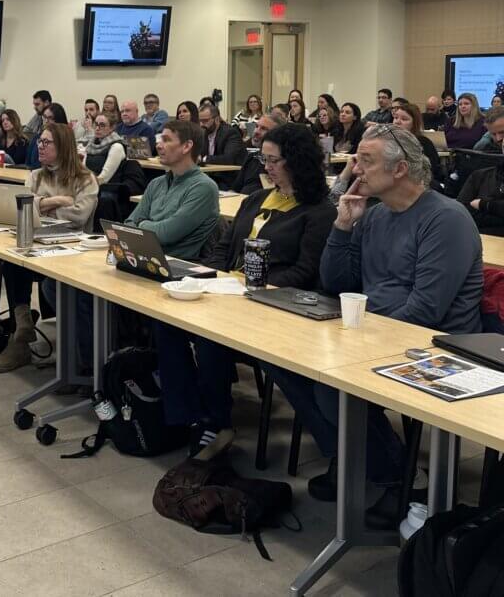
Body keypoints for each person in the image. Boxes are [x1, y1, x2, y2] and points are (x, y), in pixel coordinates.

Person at [270, 124, 482, 529]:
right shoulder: (376, 214)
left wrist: (354, 344)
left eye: (365, 161)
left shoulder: (446, 220)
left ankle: (405, 480)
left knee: (333, 389)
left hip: (436, 345)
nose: (354, 169)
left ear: (400, 168)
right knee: (284, 361)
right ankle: (349, 456)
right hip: (375, 331)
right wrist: (343, 225)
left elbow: (426, 310)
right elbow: (337, 283)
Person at [153, 123, 336, 458]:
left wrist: (252, 288)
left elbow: (306, 272)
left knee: (210, 334)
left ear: (296, 162)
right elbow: (224, 249)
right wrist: (206, 278)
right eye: (262, 159)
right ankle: (186, 414)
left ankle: (216, 421)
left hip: (274, 302)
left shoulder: (318, 212)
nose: (265, 167)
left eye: (273, 160)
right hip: (232, 293)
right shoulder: (256, 199)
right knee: (167, 320)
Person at [0, 123, 98, 373]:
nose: (40, 146)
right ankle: (22, 325)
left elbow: (79, 216)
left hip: (72, 251)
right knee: (11, 259)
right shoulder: (36, 175)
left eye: (47, 142)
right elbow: (22, 206)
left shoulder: (85, 178)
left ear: (64, 147)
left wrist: (40, 205)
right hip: (39, 243)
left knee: (42, 276)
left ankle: (76, 359)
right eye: (39, 142)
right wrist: (57, 200)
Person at [125, 119, 219, 260]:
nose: (158, 145)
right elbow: (128, 225)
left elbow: (165, 234)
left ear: (186, 146)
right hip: (146, 259)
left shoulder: (204, 187)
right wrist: (142, 226)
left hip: (179, 268)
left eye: (166, 140)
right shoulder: (156, 183)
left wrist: (142, 224)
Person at [458, 106, 504, 235]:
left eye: (502, 132)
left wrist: (485, 205)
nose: (499, 139)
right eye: (493, 134)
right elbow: (463, 213)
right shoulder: (479, 173)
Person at [230, 109, 287, 195]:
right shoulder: (252, 157)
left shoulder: (281, 162)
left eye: (263, 129)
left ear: (277, 134)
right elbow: (235, 189)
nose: (256, 131)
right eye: (256, 126)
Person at [394, 102, 445, 192]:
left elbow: (430, 172)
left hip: (418, 185)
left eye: (404, 119)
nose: (397, 122)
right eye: (395, 117)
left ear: (414, 123)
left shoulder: (424, 143)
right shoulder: (387, 141)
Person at [83, 114, 127, 184]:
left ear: (112, 128)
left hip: (107, 189)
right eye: (96, 124)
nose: (97, 128)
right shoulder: (91, 143)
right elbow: (83, 170)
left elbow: (104, 179)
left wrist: (85, 185)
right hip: (90, 185)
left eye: (102, 125)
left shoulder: (116, 147)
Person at [26, 103, 68, 170]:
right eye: (44, 117)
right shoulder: (36, 138)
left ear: (58, 120)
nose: (46, 121)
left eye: (50, 118)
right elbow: (28, 163)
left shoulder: (65, 140)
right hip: (34, 175)